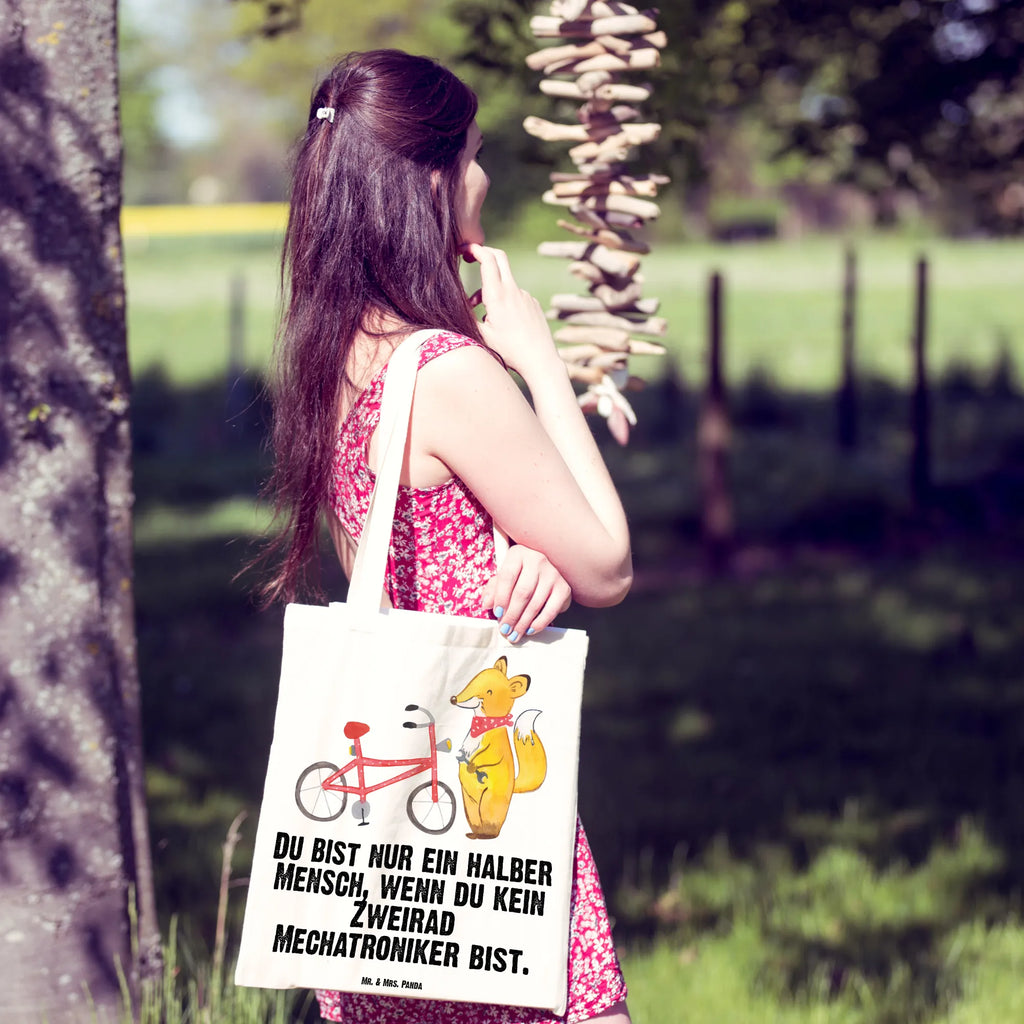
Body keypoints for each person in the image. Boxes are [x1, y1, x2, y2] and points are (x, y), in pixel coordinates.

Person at [260, 49, 633, 1024]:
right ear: (428, 179)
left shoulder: (333, 354)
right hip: (480, 831)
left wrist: (513, 550)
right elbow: (607, 562)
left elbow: (389, 554)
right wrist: (540, 363)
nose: (484, 177)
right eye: (471, 155)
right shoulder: (448, 372)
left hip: (384, 858)